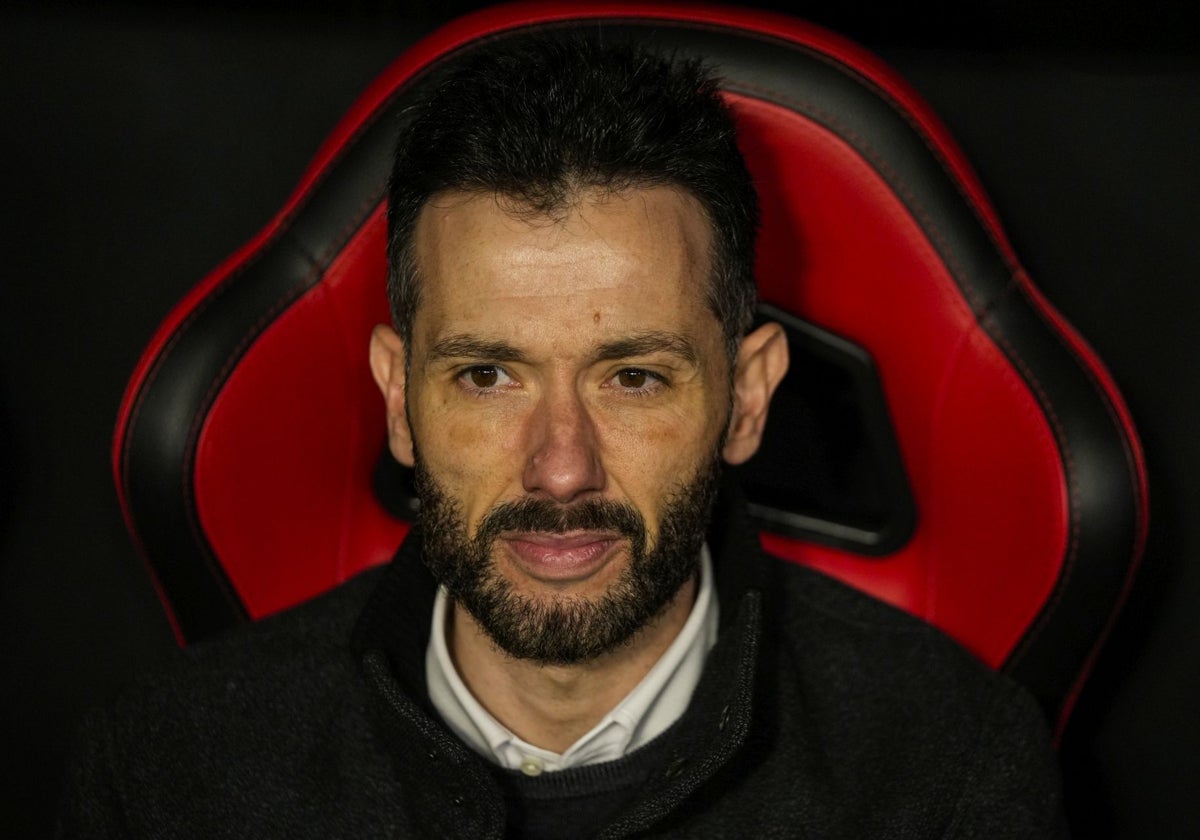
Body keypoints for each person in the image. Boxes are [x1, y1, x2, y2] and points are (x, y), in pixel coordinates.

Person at [57, 33, 1067, 838]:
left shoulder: (951, 779)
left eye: (633, 377)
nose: (560, 466)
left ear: (748, 399)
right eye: (487, 375)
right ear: (400, 399)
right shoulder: (164, 774)